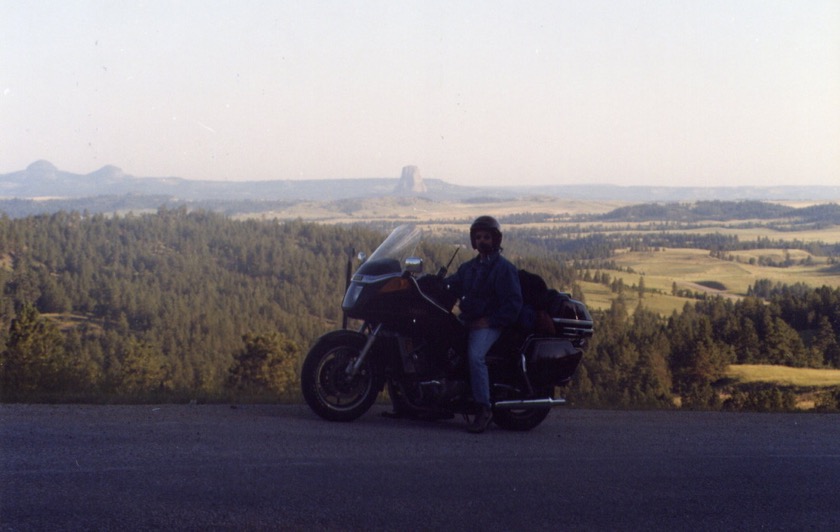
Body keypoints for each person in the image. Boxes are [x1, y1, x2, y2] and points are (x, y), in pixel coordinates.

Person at [445, 216, 523, 433]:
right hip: (469, 320)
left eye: (486, 237)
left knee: (475, 356)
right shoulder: (469, 267)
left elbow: (513, 304)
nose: (482, 241)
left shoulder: (504, 269)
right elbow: (451, 284)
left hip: (491, 324)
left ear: (495, 240)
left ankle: (484, 408)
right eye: (478, 237)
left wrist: (489, 320)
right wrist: (427, 284)